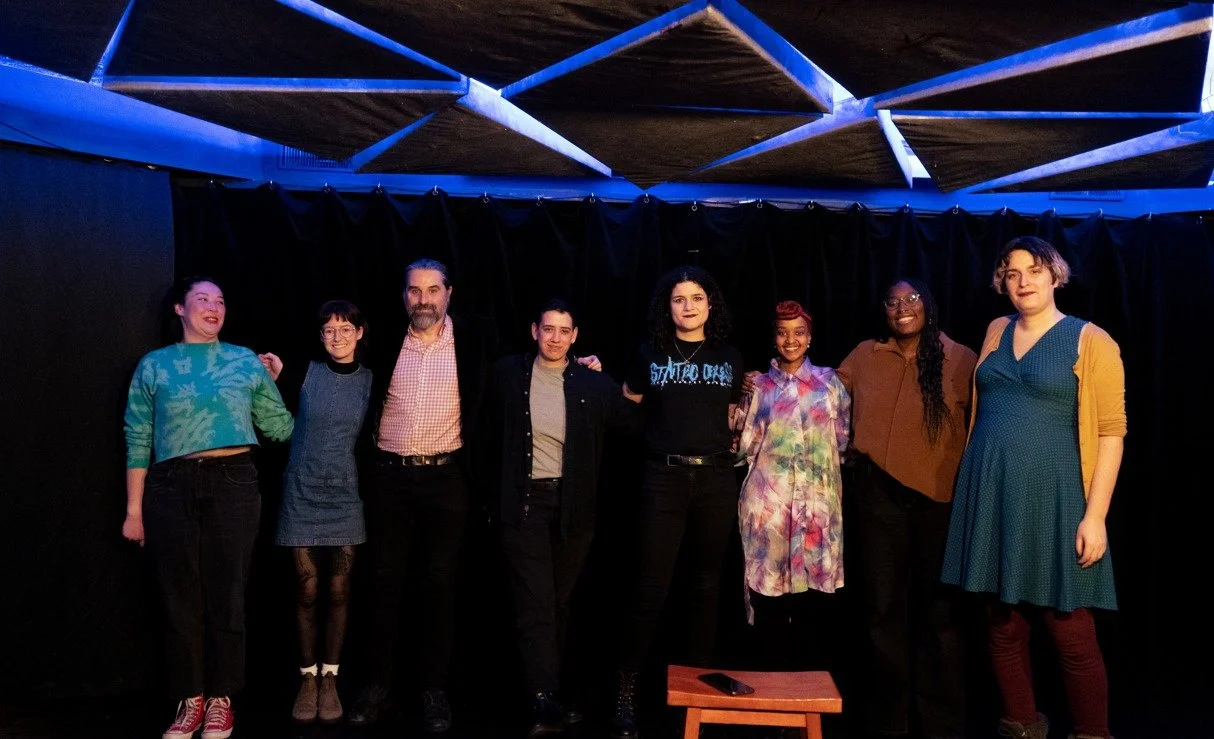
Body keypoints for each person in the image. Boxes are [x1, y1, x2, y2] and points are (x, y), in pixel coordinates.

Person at [941, 237, 1126, 739]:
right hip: (993, 493)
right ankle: (1021, 726)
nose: (1023, 282)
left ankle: (1092, 733)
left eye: (1034, 270)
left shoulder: (1091, 340)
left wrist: (1095, 517)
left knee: (1071, 630)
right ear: (1001, 283)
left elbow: (1111, 432)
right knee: (1002, 624)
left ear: (1055, 275)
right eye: (1012, 273)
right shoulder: (996, 330)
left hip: (1057, 499)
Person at [122, 275, 294, 739]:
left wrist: (270, 382)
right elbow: (138, 436)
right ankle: (190, 699)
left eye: (220, 300)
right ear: (180, 309)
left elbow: (279, 427)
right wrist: (134, 511)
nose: (213, 306)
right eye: (202, 299)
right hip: (170, 484)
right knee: (179, 597)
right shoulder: (155, 364)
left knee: (227, 594)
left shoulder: (244, 360)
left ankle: (222, 699)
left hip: (233, 480)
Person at [347, 258, 495, 733]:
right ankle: (376, 685)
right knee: (383, 580)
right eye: (415, 290)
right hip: (389, 478)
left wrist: (579, 365)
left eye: (433, 290)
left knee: (440, 584)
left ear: (449, 293)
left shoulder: (475, 340)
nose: (424, 299)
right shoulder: (383, 339)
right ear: (404, 295)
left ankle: (434, 689)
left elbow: (525, 369)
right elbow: (340, 365)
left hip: (446, 478)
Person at [484, 299, 642, 738]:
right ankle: (542, 698)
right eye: (548, 329)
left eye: (563, 331)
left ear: (575, 337)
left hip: (573, 508)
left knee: (559, 602)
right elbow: (484, 428)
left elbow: (634, 421)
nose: (555, 338)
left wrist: (634, 388)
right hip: (524, 505)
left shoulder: (592, 383)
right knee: (535, 602)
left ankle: (553, 690)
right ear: (534, 330)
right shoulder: (508, 373)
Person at [837, 279, 976, 739]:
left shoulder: (960, 359)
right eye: (893, 301)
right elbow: (816, 393)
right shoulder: (865, 355)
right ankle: (886, 725)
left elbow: (985, 423)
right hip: (877, 497)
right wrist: (766, 379)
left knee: (941, 615)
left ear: (928, 305)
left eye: (912, 298)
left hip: (938, 501)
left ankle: (941, 726)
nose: (902, 307)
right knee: (881, 612)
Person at [612, 266, 745, 739]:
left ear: (710, 305)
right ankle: (626, 691)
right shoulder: (650, 354)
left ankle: (696, 692)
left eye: (696, 298)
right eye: (678, 299)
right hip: (663, 479)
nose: (688, 306)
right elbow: (625, 407)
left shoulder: (729, 357)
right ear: (666, 308)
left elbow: (734, 414)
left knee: (706, 587)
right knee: (650, 588)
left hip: (715, 479)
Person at [263, 300, 372, 725]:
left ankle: (331, 679)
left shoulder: (371, 380)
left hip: (345, 496)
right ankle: (308, 679)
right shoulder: (303, 372)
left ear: (360, 333)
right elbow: (271, 413)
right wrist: (270, 373)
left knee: (340, 591)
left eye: (345, 329)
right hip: (301, 492)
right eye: (329, 330)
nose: (336, 337)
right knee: (307, 590)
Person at [736, 300, 850, 670]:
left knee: (812, 606)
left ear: (810, 337)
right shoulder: (759, 386)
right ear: (773, 338)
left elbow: (843, 440)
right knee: (770, 599)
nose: (791, 340)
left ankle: (808, 689)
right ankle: (771, 686)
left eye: (799, 332)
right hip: (770, 510)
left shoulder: (830, 384)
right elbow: (742, 445)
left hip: (816, 509)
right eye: (783, 333)